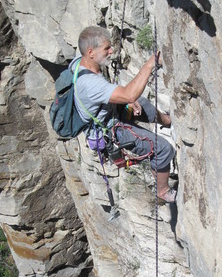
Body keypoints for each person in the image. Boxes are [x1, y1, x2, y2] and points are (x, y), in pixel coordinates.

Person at [71, 26, 176, 203]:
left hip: (110, 113)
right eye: (106, 48)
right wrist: (150, 64)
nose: (111, 51)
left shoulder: (80, 65)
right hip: (111, 130)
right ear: (90, 52)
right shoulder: (89, 83)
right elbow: (129, 93)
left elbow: (126, 97)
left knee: (140, 103)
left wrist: (125, 100)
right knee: (163, 149)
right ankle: (163, 191)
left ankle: (167, 121)